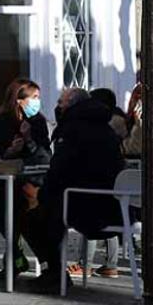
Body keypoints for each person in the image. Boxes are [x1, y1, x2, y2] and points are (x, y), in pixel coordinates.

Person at [23, 86, 127, 293]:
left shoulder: (73, 129)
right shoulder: (103, 125)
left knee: (32, 216)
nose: (57, 107)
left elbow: (61, 171)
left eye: (61, 103)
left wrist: (41, 195)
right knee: (48, 208)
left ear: (71, 105)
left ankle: (54, 272)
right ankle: (54, 272)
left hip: (87, 205)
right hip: (110, 204)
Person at [0, 78, 52, 280]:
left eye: (38, 97)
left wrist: (29, 140)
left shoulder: (38, 122)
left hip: (31, 179)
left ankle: (28, 260)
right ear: (19, 100)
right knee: (4, 201)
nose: (38, 101)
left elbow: (45, 154)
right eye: (34, 97)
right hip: (2, 179)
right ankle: (18, 257)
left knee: (25, 205)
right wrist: (8, 151)